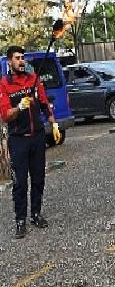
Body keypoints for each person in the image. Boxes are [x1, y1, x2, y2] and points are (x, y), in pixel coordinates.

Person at [0, 46, 62, 239]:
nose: (21, 61)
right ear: (10, 61)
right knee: (20, 183)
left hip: (37, 138)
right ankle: (20, 220)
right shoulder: (4, 85)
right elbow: (5, 116)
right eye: (17, 58)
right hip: (18, 140)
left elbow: (44, 104)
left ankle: (36, 214)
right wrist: (19, 107)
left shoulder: (33, 80)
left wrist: (54, 125)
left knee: (38, 179)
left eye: (23, 58)